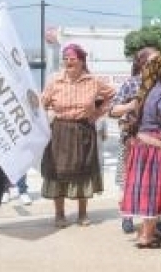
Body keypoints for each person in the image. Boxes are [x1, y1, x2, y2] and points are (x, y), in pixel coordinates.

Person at [40, 44, 114, 228]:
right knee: (57, 171)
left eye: (72, 58)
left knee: (84, 171)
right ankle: (59, 214)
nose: (68, 62)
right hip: (59, 131)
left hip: (83, 130)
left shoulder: (93, 81)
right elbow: (42, 103)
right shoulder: (54, 81)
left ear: (81, 61)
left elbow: (111, 94)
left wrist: (97, 113)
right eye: (65, 58)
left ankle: (82, 214)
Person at [120, 54, 161, 249]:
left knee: (146, 188)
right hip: (157, 146)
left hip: (142, 146)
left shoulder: (146, 90)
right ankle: (146, 236)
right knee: (154, 189)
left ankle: (150, 231)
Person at [109, 47, 161, 235]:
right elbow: (112, 110)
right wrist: (131, 105)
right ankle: (127, 215)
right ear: (143, 63)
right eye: (154, 60)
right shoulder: (131, 84)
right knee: (128, 180)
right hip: (132, 140)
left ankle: (155, 218)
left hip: (157, 141)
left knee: (157, 182)